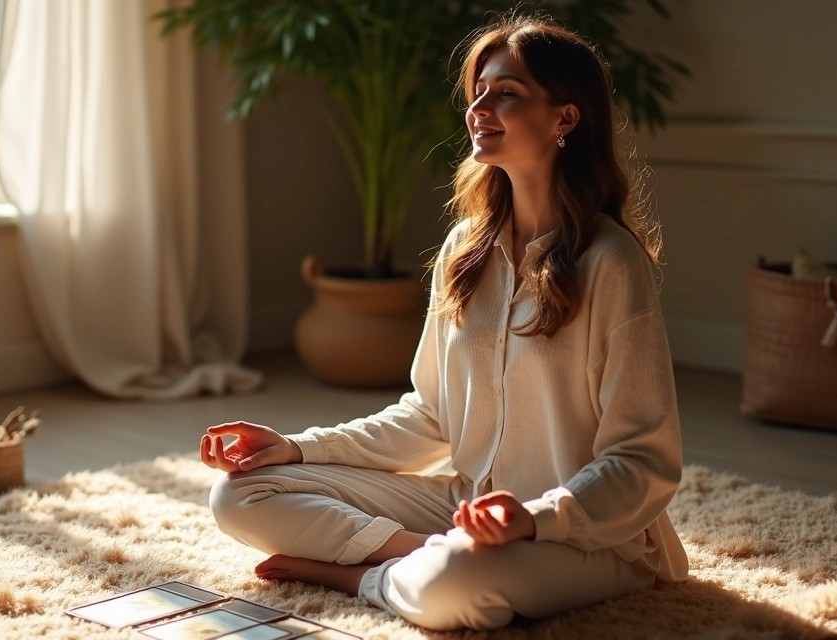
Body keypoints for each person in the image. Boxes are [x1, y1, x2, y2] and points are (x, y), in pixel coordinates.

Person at [199, 15, 689, 631]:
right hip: (464, 506)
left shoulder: (612, 265)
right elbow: (429, 415)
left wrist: (535, 519)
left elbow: (644, 461)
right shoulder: (466, 250)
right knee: (241, 493)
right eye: (478, 92)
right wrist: (297, 448)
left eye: (505, 93)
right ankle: (415, 557)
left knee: (458, 582)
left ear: (565, 118)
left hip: (586, 540)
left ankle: (359, 573)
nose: (478, 108)